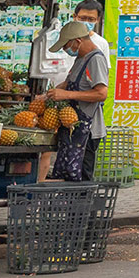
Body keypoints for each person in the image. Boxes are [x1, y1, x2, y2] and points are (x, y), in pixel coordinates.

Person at [43, 20, 109, 182]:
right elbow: (68, 83)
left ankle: (85, 200)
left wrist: (66, 95)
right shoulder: (80, 59)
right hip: (74, 129)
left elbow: (101, 93)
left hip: (87, 132)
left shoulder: (96, 59)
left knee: (82, 180)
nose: (65, 50)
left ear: (78, 41)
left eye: (66, 46)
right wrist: (48, 95)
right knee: (68, 176)